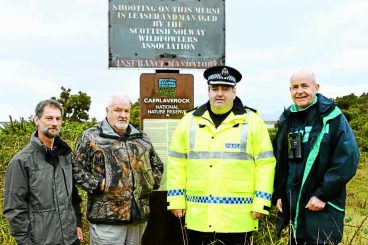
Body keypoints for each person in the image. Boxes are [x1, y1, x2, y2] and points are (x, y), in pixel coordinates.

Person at [166, 65, 276, 245]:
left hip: (239, 219)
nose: (220, 93)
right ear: (208, 91)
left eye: (225, 89)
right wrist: (175, 199)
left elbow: (265, 165)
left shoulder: (253, 122)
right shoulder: (189, 121)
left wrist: (261, 203)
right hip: (198, 216)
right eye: (215, 88)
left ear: (234, 91)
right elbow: (177, 163)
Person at [273, 69, 360, 244]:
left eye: (305, 86)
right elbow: (280, 160)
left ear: (316, 87)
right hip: (293, 208)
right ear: (290, 90)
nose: (299, 91)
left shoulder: (332, 117)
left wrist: (322, 194)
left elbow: (348, 159)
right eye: (294, 87)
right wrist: (279, 194)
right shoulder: (288, 119)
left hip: (321, 207)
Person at [73, 94, 163, 245]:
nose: (123, 115)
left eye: (126, 111)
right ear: (107, 110)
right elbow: (75, 168)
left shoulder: (141, 137)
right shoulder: (90, 137)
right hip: (106, 219)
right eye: (118, 110)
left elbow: (157, 165)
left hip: (137, 217)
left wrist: (149, 182)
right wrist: (97, 184)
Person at [3, 99, 83, 245]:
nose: (54, 123)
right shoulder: (21, 161)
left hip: (71, 239)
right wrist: (26, 242)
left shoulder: (65, 155)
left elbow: (73, 194)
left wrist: (77, 222)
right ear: (36, 120)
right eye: (49, 118)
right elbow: (14, 209)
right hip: (42, 241)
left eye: (58, 119)